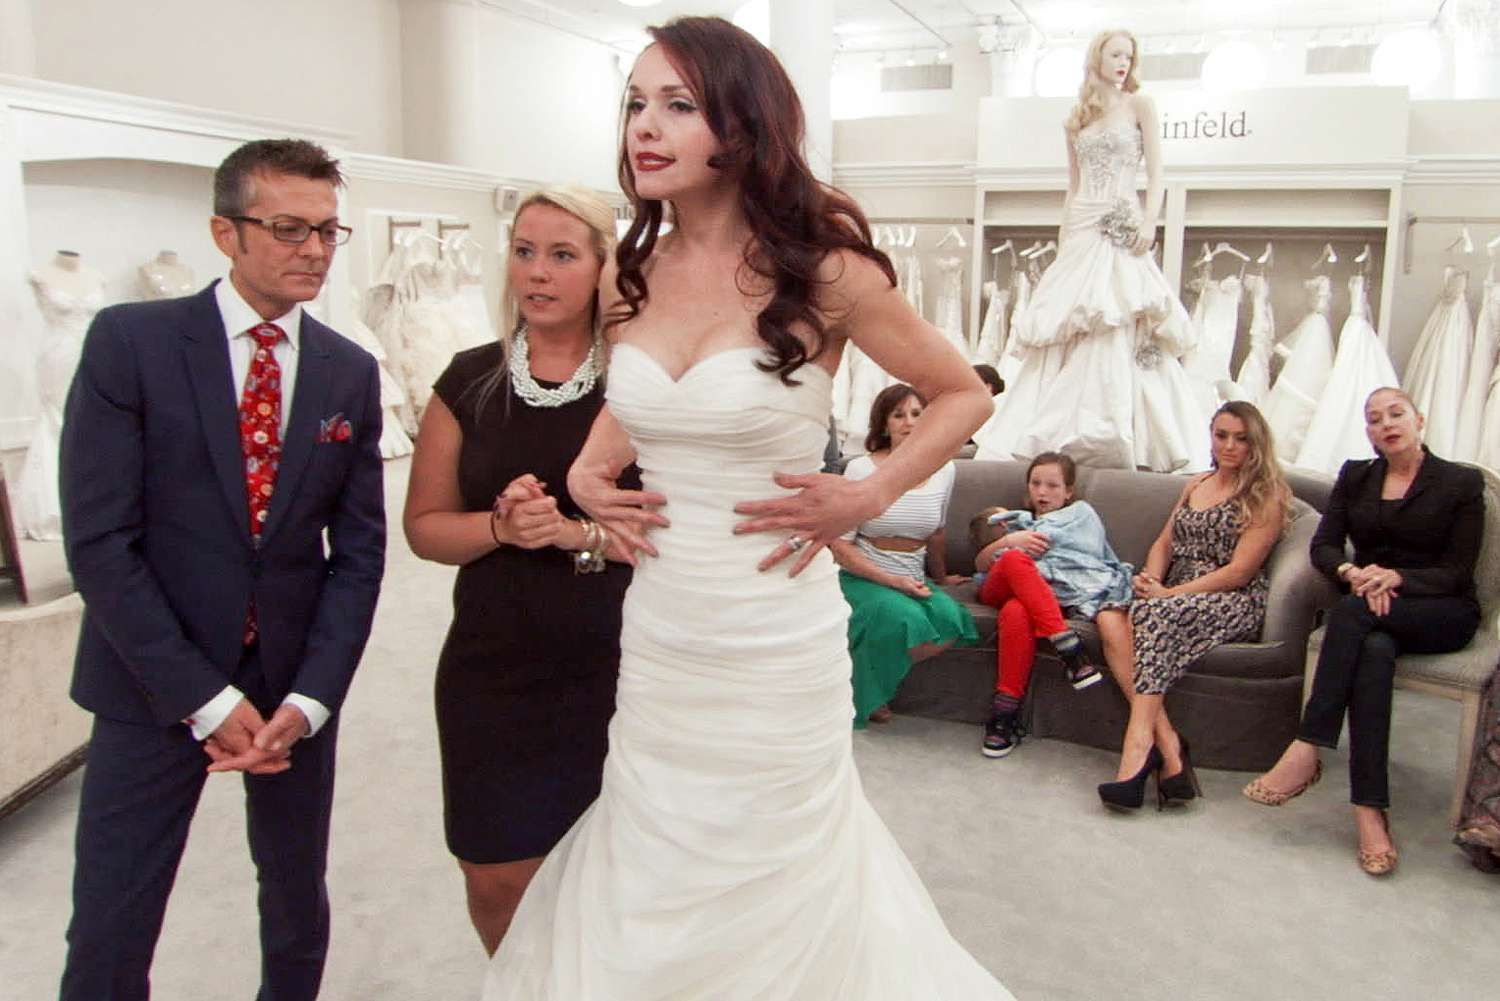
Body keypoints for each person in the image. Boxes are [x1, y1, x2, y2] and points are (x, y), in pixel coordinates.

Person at [484, 16, 1011, 1000]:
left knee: (774, 862)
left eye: (677, 104)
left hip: (775, 629)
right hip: (666, 627)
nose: (645, 125)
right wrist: (595, 471)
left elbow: (964, 392)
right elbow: (636, 410)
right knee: (656, 848)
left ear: (742, 122)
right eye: (636, 102)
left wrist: (870, 489)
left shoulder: (828, 272)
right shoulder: (627, 279)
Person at [57, 139, 386, 1000]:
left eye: (327, 230)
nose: (314, 249)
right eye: (288, 228)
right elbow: (100, 541)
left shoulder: (347, 372)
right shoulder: (133, 342)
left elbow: (358, 555)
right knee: (111, 922)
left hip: (290, 692)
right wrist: (203, 698)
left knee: (294, 905)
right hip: (150, 684)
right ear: (225, 232)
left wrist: (312, 698)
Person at [404, 187, 634, 955]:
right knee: (495, 876)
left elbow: (684, 532)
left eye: (563, 254)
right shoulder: (467, 382)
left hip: (621, 669)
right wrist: (501, 526)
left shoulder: (639, 385)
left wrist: (575, 532)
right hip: (491, 670)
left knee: (615, 875)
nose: (536, 272)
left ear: (604, 268)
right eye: (524, 251)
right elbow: (426, 528)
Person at [1246, 388, 1484, 876]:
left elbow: (1458, 571)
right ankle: (1369, 812)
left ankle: (1308, 745)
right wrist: (1353, 575)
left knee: (1353, 616)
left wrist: (1396, 578)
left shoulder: (1461, 482)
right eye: (1374, 419)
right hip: (1372, 604)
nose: (1386, 425)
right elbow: (1325, 547)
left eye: (1396, 414)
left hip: (1440, 609)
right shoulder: (1356, 475)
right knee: (1371, 646)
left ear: (1419, 419)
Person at [973, 28, 1205, 473]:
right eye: (1116, 54)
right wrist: (1064, 245)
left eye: (1129, 56)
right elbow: (1073, 186)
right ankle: (1048, 437)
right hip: (1083, 222)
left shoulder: (1141, 104)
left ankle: (1120, 438)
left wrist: (1150, 221)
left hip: (1122, 221)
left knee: (1117, 317)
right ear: (1096, 57)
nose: (1123, 63)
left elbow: (1158, 175)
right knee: (1068, 323)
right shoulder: (1076, 118)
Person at [1099, 401, 1289, 810]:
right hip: (1175, 593)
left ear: (1257, 443)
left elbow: (1239, 572)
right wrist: (1152, 579)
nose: (1230, 446)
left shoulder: (1267, 495)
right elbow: (1165, 543)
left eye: (1241, 438)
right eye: (1222, 435)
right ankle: (1169, 746)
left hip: (1230, 599)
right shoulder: (1196, 483)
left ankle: (1135, 751)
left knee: (1151, 613)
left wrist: (1168, 596)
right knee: (1109, 616)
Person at [830, 384, 977, 727]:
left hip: (912, 576)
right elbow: (840, 546)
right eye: (898, 415)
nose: (908, 422)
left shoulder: (944, 469)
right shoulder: (860, 470)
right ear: (884, 424)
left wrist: (940, 579)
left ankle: (865, 681)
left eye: (917, 414)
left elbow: (937, 533)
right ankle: (868, 695)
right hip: (863, 575)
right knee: (899, 617)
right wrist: (891, 580)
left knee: (952, 620)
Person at [971, 451, 1133, 757]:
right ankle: (1068, 647)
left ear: (1069, 491)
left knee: (1016, 611)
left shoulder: (1081, 515)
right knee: (1016, 559)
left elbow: (1086, 553)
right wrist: (1009, 541)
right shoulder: (1014, 523)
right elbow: (980, 565)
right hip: (999, 584)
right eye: (1036, 484)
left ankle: (1005, 714)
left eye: (1052, 486)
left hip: (1044, 595)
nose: (1042, 492)